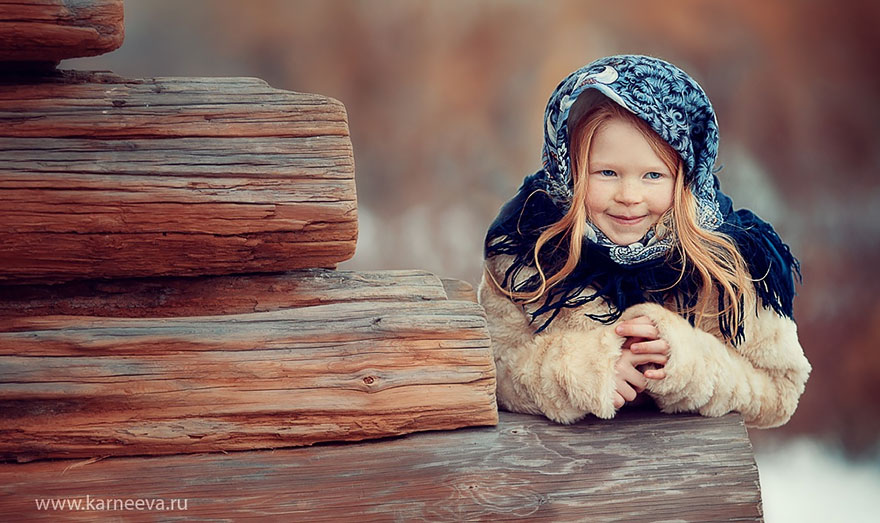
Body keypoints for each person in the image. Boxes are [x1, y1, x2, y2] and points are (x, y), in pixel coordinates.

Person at [478, 54, 811, 428]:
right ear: (570, 172)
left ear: (684, 179)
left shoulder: (722, 264)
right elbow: (489, 371)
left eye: (653, 175)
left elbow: (779, 392)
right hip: (560, 479)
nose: (629, 195)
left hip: (688, 480)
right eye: (607, 172)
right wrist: (585, 370)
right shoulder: (527, 253)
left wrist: (689, 365)